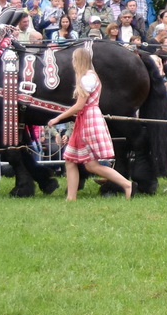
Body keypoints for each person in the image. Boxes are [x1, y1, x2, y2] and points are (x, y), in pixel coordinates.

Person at [45, 45, 133, 200]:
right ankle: (71, 197)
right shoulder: (90, 76)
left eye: (73, 59)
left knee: (90, 164)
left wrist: (58, 118)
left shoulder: (87, 78)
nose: (72, 62)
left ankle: (127, 184)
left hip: (89, 120)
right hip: (86, 119)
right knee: (71, 160)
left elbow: (79, 105)